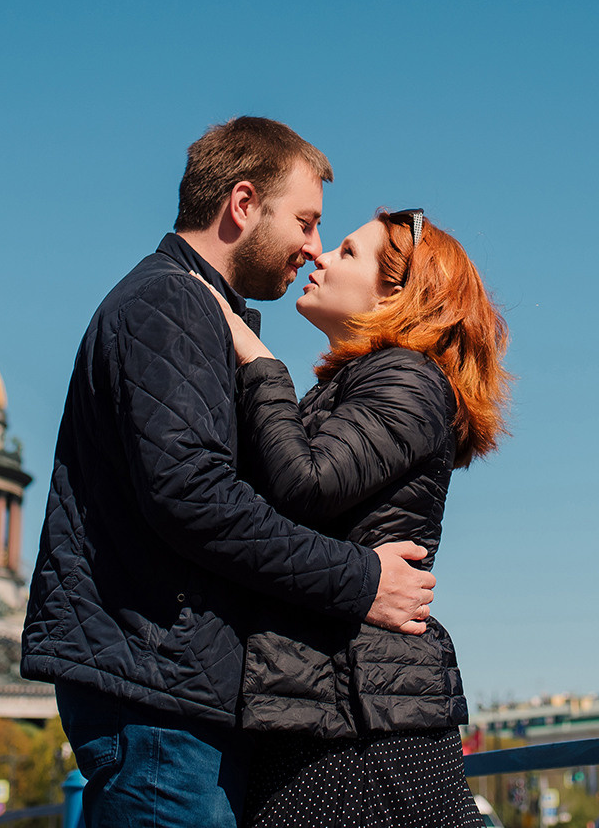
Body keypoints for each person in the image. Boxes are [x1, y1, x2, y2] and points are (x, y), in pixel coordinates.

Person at [21, 117, 439, 828]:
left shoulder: (193, 307)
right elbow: (196, 498)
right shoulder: (173, 301)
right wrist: (362, 579)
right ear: (243, 205)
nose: (311, 247)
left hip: (168, 685)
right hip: (159, 689)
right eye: (307, 222)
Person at [193, 207, 510, 828]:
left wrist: (258, 360)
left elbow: (304, 484)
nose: (319, 258)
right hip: (326, 700)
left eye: (346, 252)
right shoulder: (354, 386)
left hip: (362, 718)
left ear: (397, 291)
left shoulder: (408, 378)